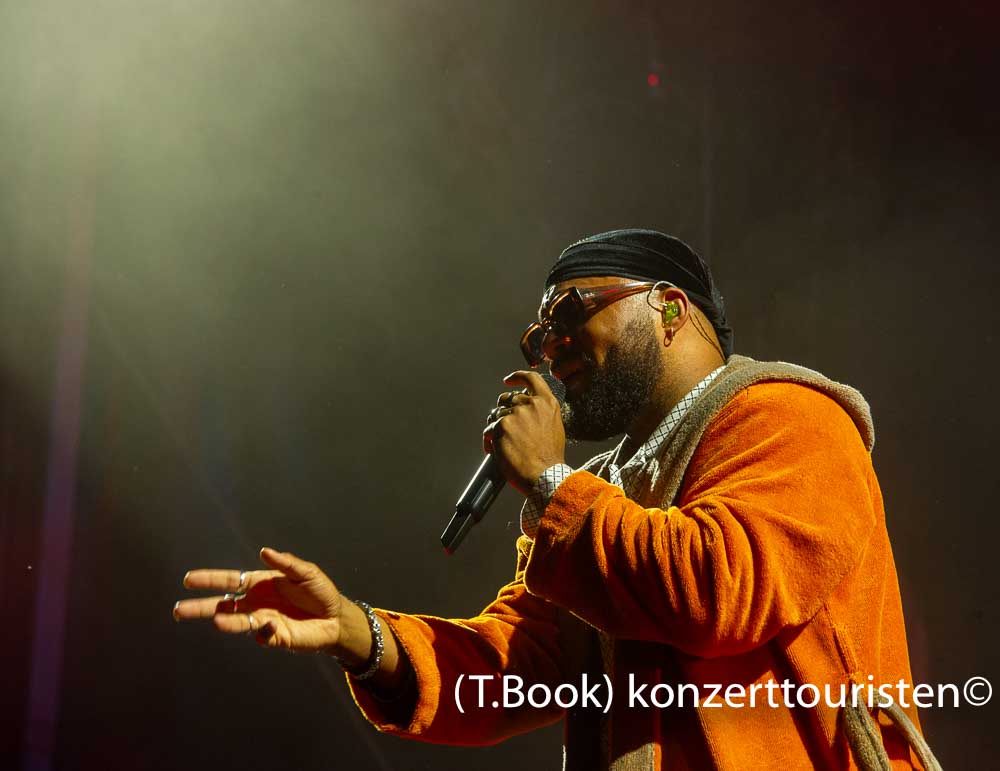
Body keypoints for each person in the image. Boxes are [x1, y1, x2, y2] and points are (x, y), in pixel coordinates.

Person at [174, 229, 938, 770]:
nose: (550, 349)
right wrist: (360, 633)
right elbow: (516, 665)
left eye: (570, 313)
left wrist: (549, 481)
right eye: (538, 337)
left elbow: (720, 589)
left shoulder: (790, 417)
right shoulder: (603, 490)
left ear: (671, 308)